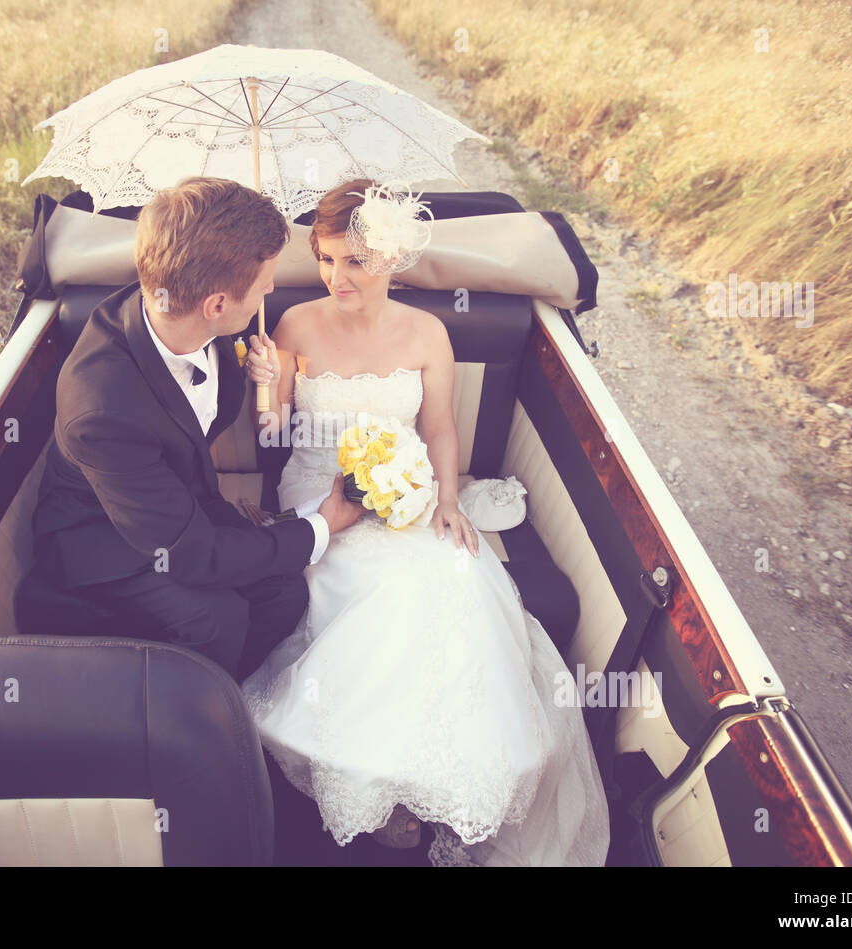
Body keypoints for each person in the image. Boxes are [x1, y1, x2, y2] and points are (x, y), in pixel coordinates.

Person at [237, 179, 610, 865]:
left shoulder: (427, 333)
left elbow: (438, 429)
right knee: (374, 588)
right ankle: (376, 779)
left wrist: (445, 500)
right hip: (319, 490)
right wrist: (266, 381)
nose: (336, 276)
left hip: (406, 491)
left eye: (354, 261)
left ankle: (433, 776)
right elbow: (273, 431)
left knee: (455, 580)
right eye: (325, 259)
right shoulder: (292, 326)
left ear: (390, 257)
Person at [23, 176, 364, 681]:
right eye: (264, 282)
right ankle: (182, 713)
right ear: (217, 305)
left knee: (285, 592)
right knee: (216, 622)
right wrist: (322, 526)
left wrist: (258, 377)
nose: (271, 288)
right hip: (104, 538)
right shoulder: (101, 410)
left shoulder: (183, 306)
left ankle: (228, 692)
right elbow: (193, 556)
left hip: (182, 503)